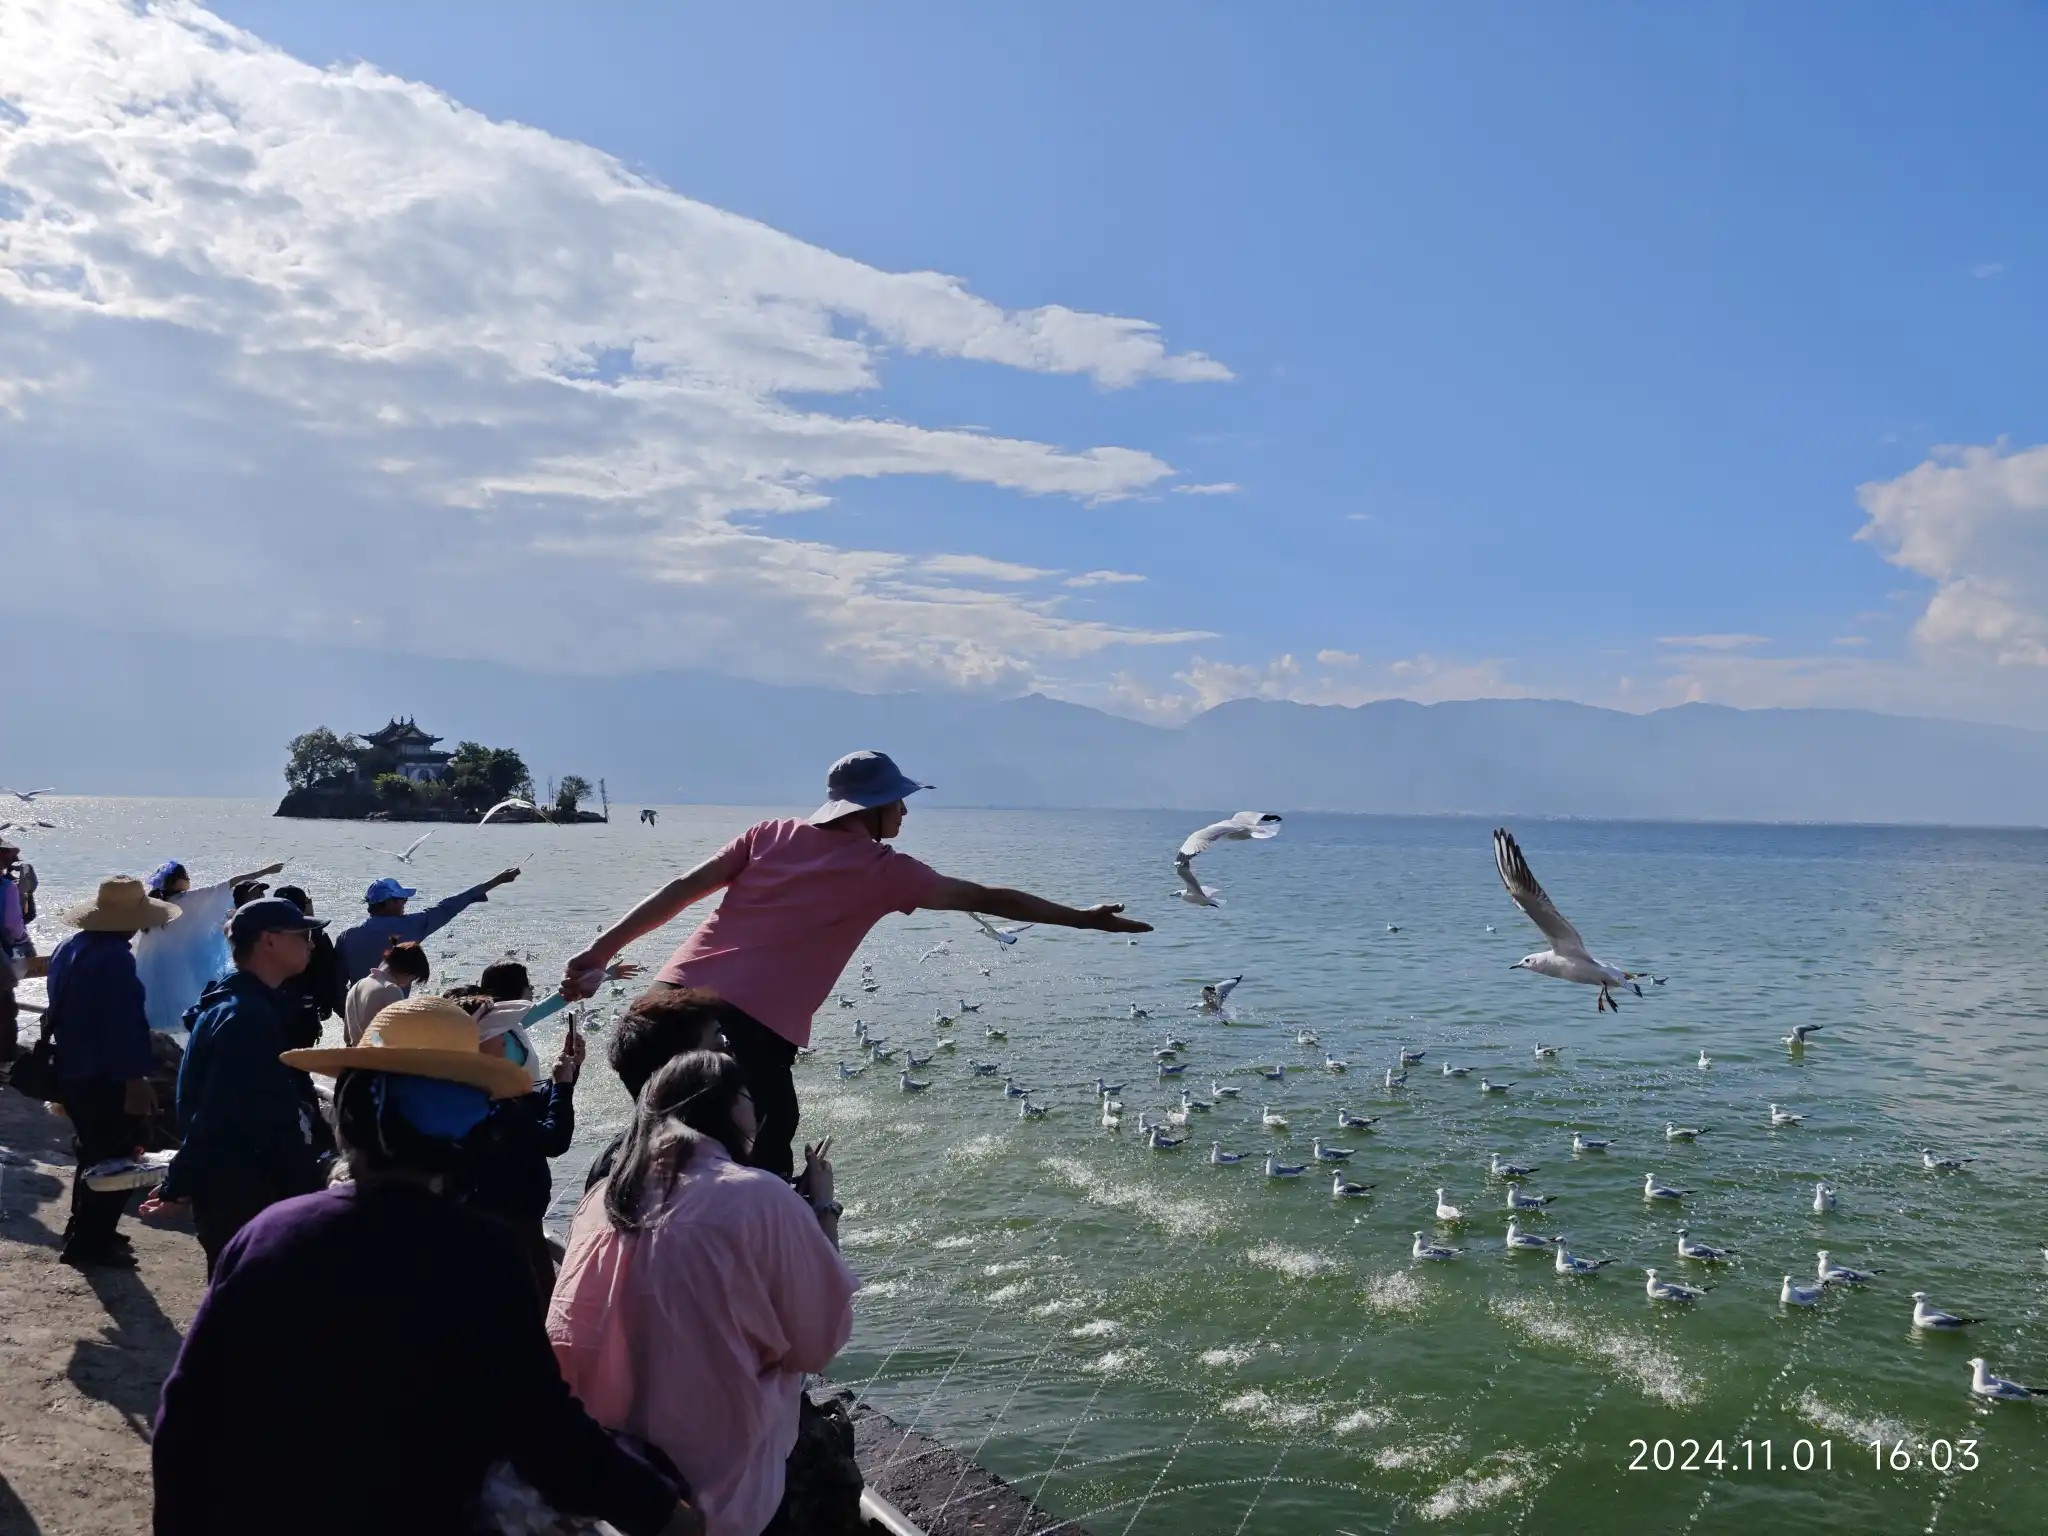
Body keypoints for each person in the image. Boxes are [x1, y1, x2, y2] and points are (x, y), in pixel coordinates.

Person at [154, 995, 702, 1536]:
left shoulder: (270, 1235)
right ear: (473, 1137)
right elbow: (542, 1429)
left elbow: (189, 1411)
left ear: (346, 1120)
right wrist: (660, 1510)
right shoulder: (481, 1257)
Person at [562, 750, 1151, 1177]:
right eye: (899, 801)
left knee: (658, 1141)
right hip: (743, 1028)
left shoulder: (770, 834)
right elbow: (990, 898)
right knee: (759, 1160)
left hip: (660, 1006)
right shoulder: (885, 871)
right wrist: (1082, 919)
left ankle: (613, 1234)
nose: (905, 812)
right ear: (872, 807)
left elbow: (680, 890)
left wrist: (599, 952)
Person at [550, 1051, 858, 1536]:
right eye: (748, 1097)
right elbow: (817, 1343)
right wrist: (823, 1205)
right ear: (725, 1106)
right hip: (725, 1484)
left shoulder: (603, 1200)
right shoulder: (758, 1197)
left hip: (619, 1478)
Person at [156, 897, 328, 1273]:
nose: (312, 943)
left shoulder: (235, 1002)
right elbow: (216, 1113)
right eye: (303, 934)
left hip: (240, 1188)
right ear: (269, 940)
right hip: (246, 1192)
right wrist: (179, 1183)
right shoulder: (246, 1016)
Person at [42, 876, 180, 1267]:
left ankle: (83, 1228)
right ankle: (91, 1243)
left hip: (72, 1067)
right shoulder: (116, 959)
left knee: (91, 1152)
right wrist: (136, 1079)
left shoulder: (70, 947)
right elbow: (125, 1025)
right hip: (106, 1075)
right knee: (119, 1159)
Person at [462, 977, 585, 1300]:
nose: (505, 1042)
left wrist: (566, 1075)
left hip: (498, 1218)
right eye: (496, 1036)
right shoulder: (495, 1106)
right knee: (535, 1302)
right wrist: (563, 1088)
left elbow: (532, 1105)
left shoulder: (475, 1092)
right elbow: (553, 1140)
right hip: (514, 1224)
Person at [583, 987, 746, 1192]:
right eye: (720, 1045)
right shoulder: (737, 1181)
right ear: (679, 1070)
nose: (731, 1057)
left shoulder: (614, 1165)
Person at [133, 857, 286, 1034]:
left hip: (150, 974)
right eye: (186, 876)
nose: (189, 879)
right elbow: (228, 884)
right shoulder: (189, 899)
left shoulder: (152, 906)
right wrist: (265, 871)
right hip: (179, 976)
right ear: (176, 881)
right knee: (181, 1024)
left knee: (155, 1026)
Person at [335, 868, 524, 988]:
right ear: (389, 902)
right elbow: (448, 906)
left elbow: (336, 982)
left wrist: (348, 1015)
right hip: (393, 1018)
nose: (405, 903)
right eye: (402, 899)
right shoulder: (410, 926)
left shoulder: (347, 936)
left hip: (358, 1014)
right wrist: (496, 881)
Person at [272, 885, 343, 1049]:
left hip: (274, 1009)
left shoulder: (264, 935)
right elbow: (328, 970)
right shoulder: (318, 934)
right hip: (306, 1011)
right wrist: (327, 1005)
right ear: (305, 906)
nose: (310, 945)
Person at [343, 938, 431, 1046]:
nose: (408, 984)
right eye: (411, 979)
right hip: (377, 1053)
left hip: (356, 1051)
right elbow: (398, 1032)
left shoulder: (358, 985)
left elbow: (347, 1036)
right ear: (406, 971)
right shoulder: (391, 990)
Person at [0, 836, 33, 1062]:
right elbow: (13, 925)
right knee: (5, 1008)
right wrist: (24, 943)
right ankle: (5, 1058)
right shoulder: (6, 888)